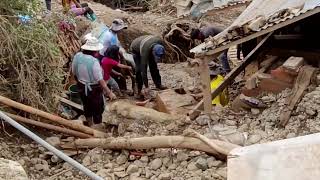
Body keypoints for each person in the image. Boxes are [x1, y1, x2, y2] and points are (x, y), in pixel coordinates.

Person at [72, 37, 116, 126]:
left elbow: (74, 72)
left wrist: (79, 82)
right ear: (94, 52)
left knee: (86, 106)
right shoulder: (94, 61)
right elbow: (100, 80)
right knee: (97, 109)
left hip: (81, 86)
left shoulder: (77, 56)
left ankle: (90, 124)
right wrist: (109, 92)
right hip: (93, 89)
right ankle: (97, 126)